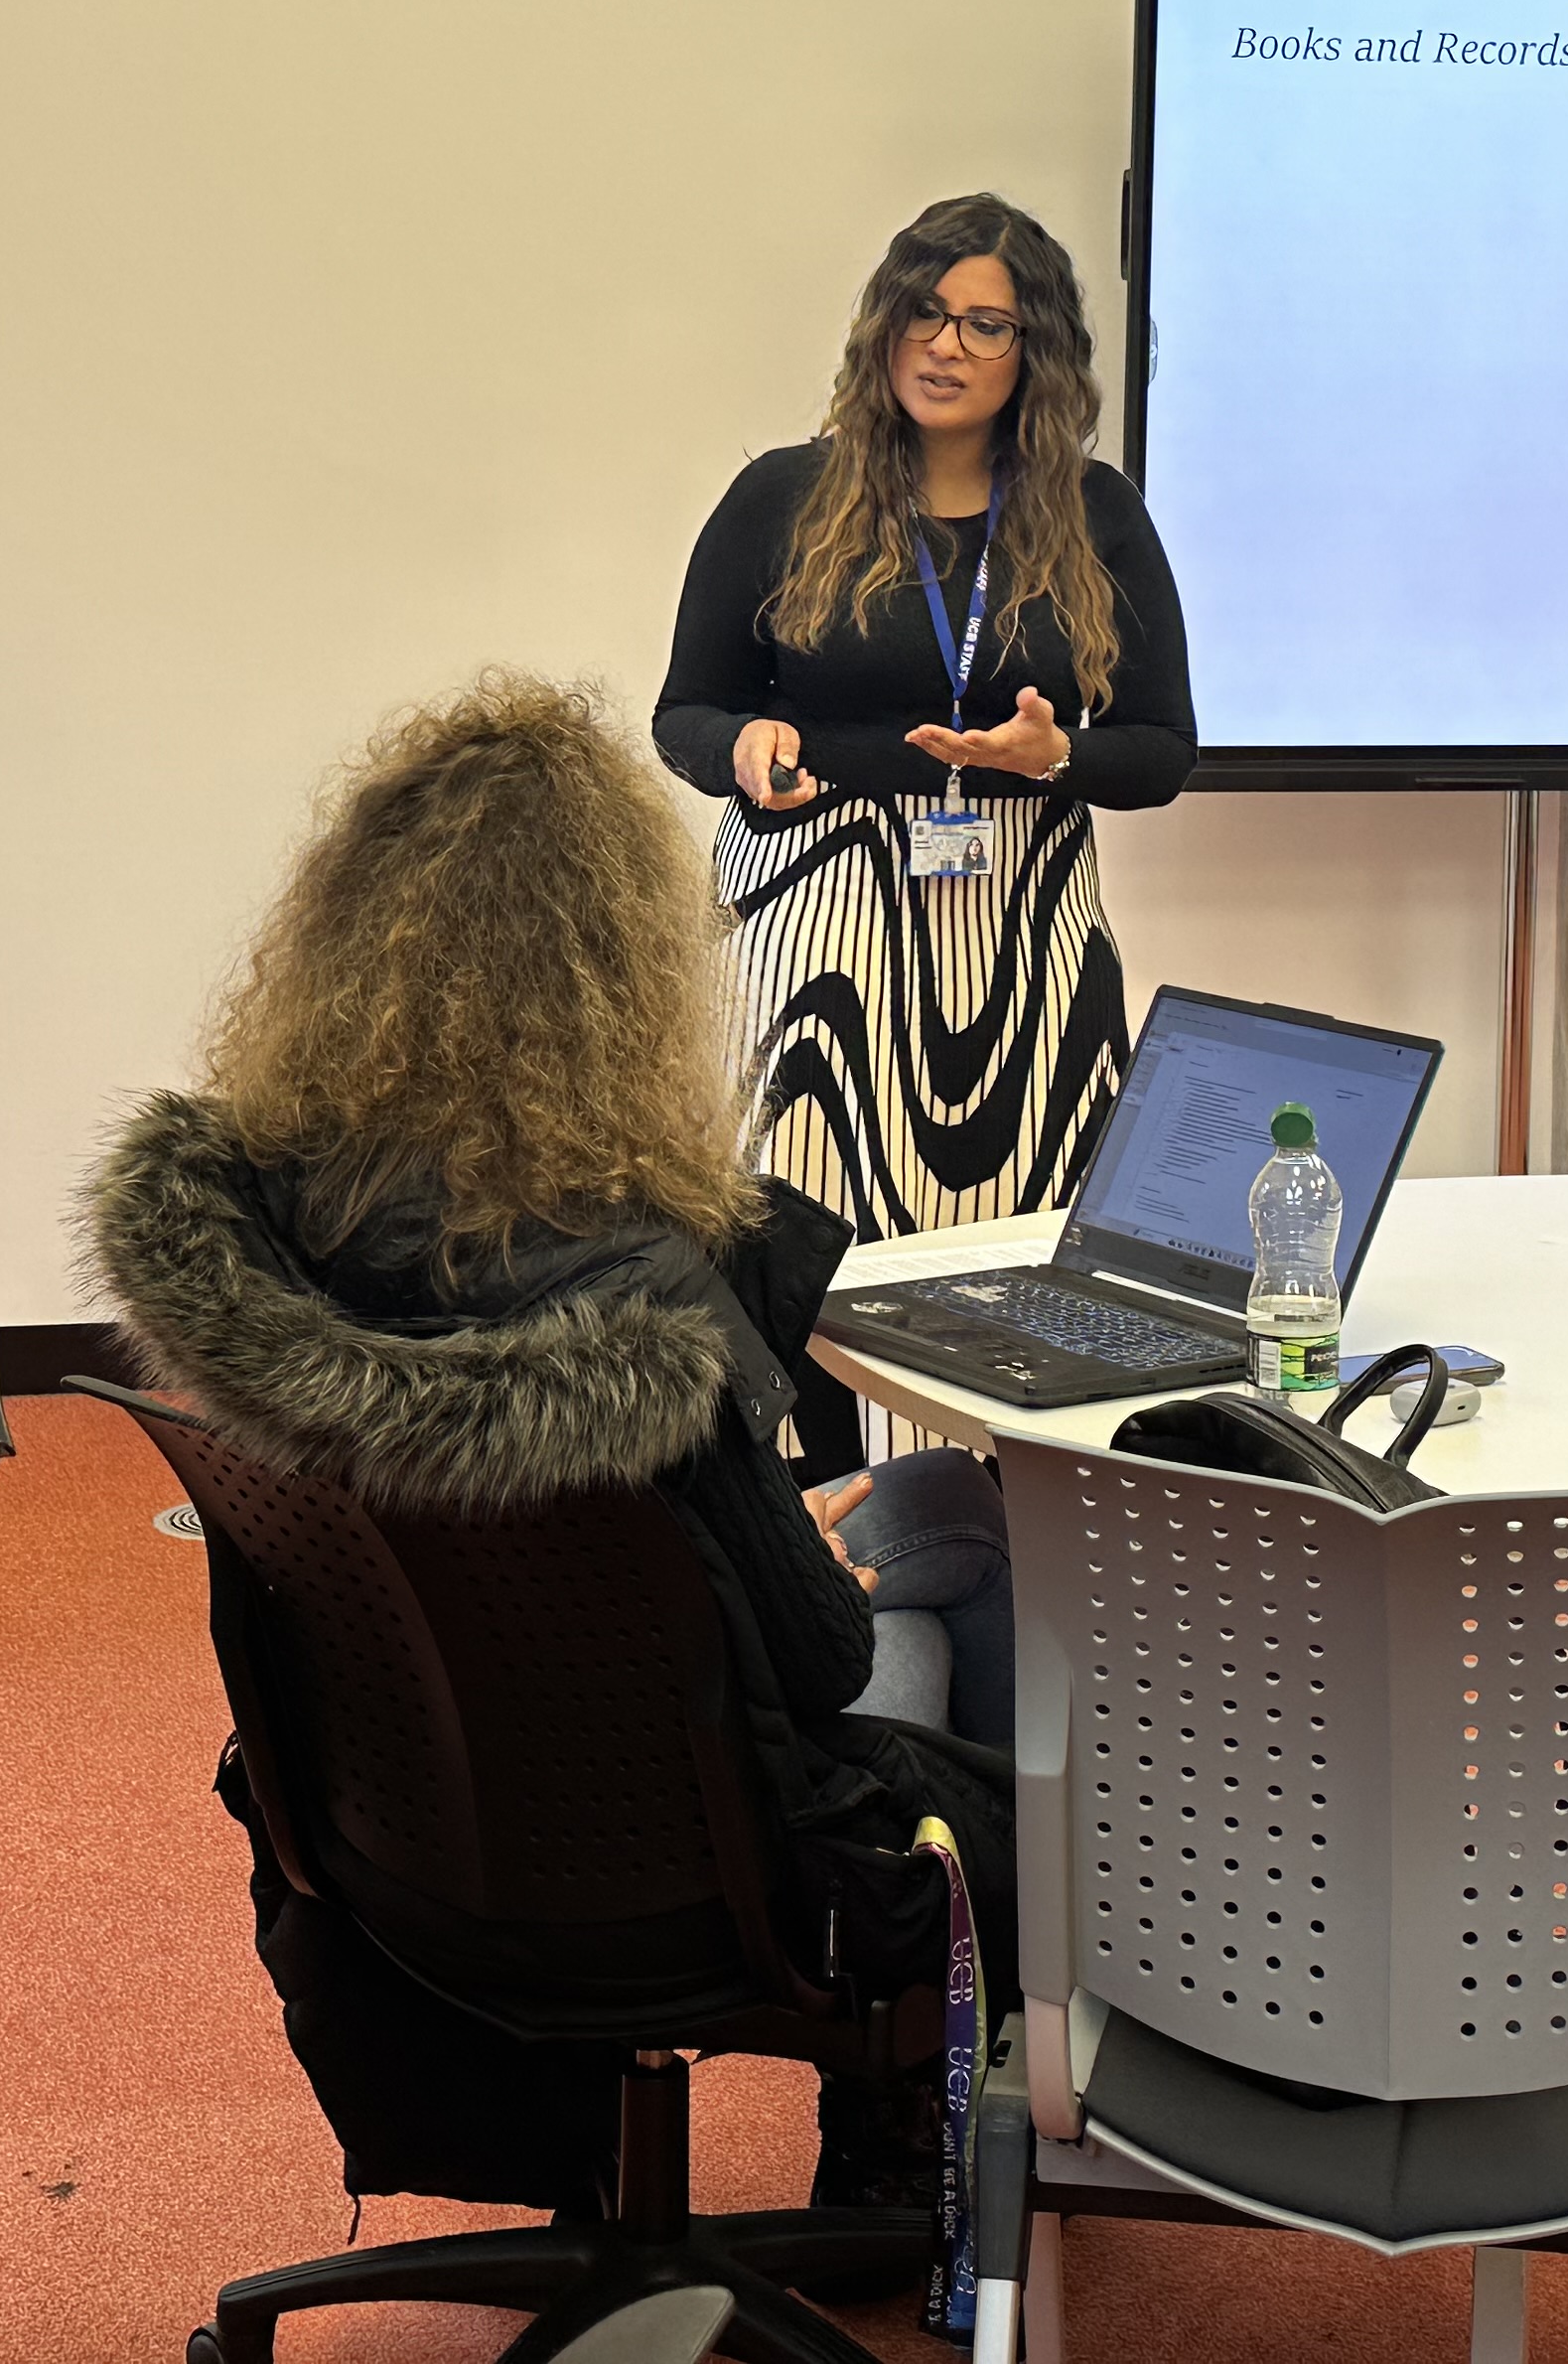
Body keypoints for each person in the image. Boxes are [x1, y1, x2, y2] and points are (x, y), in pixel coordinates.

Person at [83, 670, 1011, 2212]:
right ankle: (908, 2120)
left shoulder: (291, 1233)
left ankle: (895, 2111)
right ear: (625, 976)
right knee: (971, 1545)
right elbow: (828, 1671)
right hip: (703, 1857)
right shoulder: (635, 1299)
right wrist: (801, 1546)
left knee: (928, 1507)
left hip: (409, 1844)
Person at [656, 191, 1197, 1240]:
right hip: (812, 912)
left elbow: (1163, 752)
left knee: (1019, 1239)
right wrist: (741, 745)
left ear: (1035, 351)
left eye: (985, 325)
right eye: (923, 312)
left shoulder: (1098, 515)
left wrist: (1059, 756)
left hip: (1025, 928)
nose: (944, 346)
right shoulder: (780, 498)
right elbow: (686, 713)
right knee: (805, 1233)